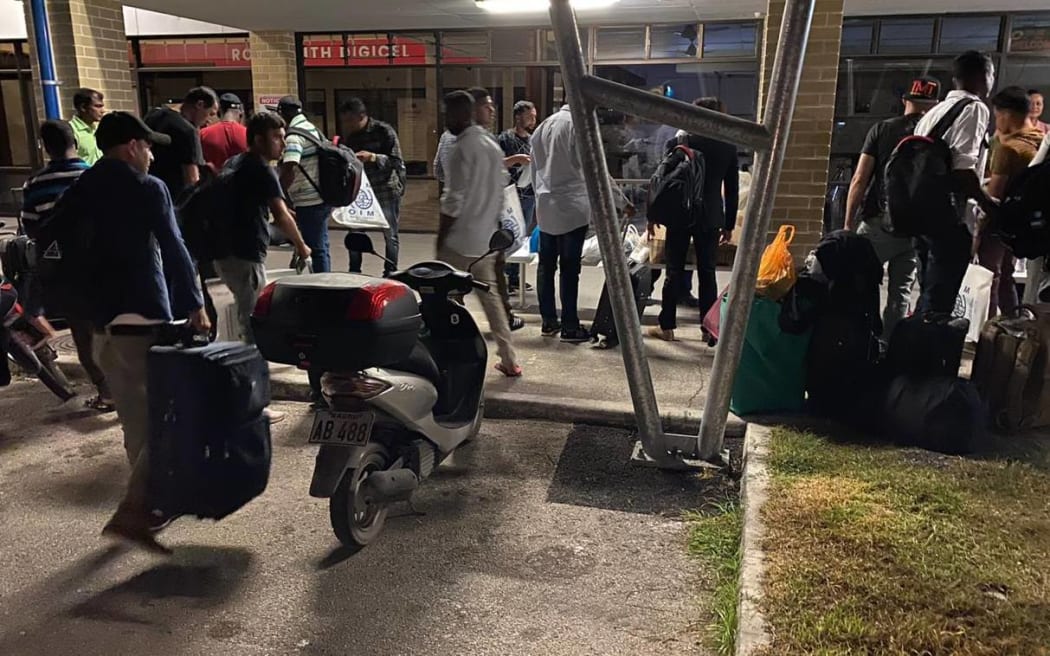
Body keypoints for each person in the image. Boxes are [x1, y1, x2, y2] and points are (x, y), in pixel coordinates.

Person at [68, 111, 209, 553]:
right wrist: (196, 305)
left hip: (101, 325)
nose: (151, 155)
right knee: (174, 415)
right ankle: (135, 510)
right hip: (142, 319)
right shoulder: (147, 187)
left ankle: (150, 504)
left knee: (135, 421)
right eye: (147, 146)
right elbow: (173, 245)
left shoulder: (81, 187)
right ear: (131, 146)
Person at [19, 120, 113, 412]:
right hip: (104, 265)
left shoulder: (35, 184)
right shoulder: (94, 176)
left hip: (65, 270)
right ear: (75, 141)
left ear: (45, 147)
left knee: (83, 334)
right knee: (112, 328)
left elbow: (30, 227)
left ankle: (106, 392)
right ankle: (127, 389)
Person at [844, 77, 941, 341]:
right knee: (900, 293)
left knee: (858, 283)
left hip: (879, 223)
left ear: (905, 100)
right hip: (915, 229)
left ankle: (858, 343)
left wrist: (848, 224)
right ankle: (889, 349)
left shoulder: (883, 129)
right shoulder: (937, 135)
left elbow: (860, 179)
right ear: (935, 105)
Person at [437, 90, 521, 377]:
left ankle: (448, 355)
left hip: (459, 242)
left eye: (448, 113)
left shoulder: (461, 149)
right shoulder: (491, 145)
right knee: (492, 300)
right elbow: (501, 189)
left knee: (445, 300)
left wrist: (441, 238)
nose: (446, 120)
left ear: (463, 113)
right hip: (485, 241)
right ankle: (508, 359)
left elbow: (453, 200)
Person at [912, 50, 998, 316]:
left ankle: (916, 338)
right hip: (948, 218)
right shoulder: (974, 108)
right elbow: (963, 170)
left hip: (920, 213)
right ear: (983, 76)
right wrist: (989, 205)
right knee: (939, 303)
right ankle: (929, 341)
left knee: (928, 293)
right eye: (992, 74)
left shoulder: (935, 112)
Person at [648, 97, 739, 343]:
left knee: (673, 270)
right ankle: (708, 329)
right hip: (710, 217)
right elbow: (732, 190)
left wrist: (653, 215)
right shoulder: (727, 147)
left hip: (680, 215)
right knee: (707, 273)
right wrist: (729, 224)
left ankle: (667, 326)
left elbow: (662, 182)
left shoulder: (680, 143)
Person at [215, 111, 311, 344]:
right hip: (245, 251)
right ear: (259, 140)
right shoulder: (263, 169)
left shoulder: (234, 162)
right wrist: (301, 246)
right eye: (277, 137)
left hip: (223, 249)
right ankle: (251, 359)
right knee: (252, 316)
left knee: (242, 307)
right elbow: (280, 214)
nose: (283, 144)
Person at [976, 86, 1045, 318]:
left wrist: (977, 233)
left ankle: (989, 328)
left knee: (988, 277)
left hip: (1001, 223)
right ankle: (1014, 321)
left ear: (1007, 114)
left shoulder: (1009, 149)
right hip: (1026, 224)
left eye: (997, 115)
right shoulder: (1040, 141)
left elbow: (994, 195)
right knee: (1006, 275)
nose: (996, 121)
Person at [530, 104, 593, 343]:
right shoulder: (578, 127)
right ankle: (570, 325)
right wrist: (620, 200)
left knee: (545, 267)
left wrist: (540, 198)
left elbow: (534, 171)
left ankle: (548, 322)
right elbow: (593, 169)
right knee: (569, 269)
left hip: (546, 208)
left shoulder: (542, 127)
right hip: (572, 209)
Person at [338, 97, 406, 276]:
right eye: (344, 121)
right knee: (355, 232)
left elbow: (396, 161)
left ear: (362, 116)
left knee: (390, 234)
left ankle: (390, 271)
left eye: (350, 120)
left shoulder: (384, 131)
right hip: (360, 192)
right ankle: (354, 271)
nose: (347, 125)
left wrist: (373, 157)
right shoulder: (350, 136)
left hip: (385, 189)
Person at [276, 95, 332, 273]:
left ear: (283, 113)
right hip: (321, 195)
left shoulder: (294, 136)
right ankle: (318, 278)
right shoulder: (312, 129)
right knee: (320, 245)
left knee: (316, 248)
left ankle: (323, 283)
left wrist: (278, 193)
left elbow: (290, 166)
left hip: (308, 200)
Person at [144, 86, 218, 202]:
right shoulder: (188, 131)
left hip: (148, 192)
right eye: (210, 114)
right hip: (174, 200)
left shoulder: (153, 116)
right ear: (199, 104)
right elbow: (193, 181)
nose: (209, 120)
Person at [498, 100, 537, 292]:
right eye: (530, 117)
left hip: (529, 193)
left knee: (521, 237)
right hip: (509, 195)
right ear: (518, 117)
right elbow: (496, 163)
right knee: (508, 234)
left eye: (534, 117)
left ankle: (514, 277)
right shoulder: (505, 138)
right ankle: (503, 276)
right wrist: (515, 160)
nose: (533, 120)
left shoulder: (532, 140)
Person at [200, 92, 247, 173]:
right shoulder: (249, 134)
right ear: (240, 112)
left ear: (220, 111)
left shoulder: (203, 134)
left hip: (214, 180)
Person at [69, 88, 104, 165]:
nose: (102, 111)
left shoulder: (98, 129)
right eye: (97, 106)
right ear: (83, 108)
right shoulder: (71, 131)